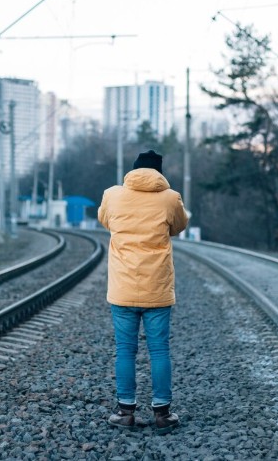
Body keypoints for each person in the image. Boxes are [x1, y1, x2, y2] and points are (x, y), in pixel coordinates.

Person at [97, 149, 189, 434]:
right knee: (159, 349)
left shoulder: (112, 195)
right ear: (159, 172)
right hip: (157, 288)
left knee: (125, 350)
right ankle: (162, 414)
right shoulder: (170, 197)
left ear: (133, 170)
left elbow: (106, 220)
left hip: (123, 289)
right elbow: (179, 226)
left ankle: (126, 412)